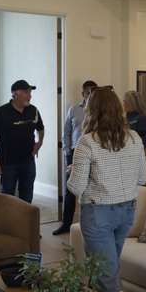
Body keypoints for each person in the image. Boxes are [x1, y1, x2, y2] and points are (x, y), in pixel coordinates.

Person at [67, 88, 146, 292]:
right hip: (127, 212)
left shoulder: (87, 142)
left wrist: (72, 170)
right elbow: (143, 178)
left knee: (105, 274)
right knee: (107, 269)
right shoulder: (135, 138)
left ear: (91, 110)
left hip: (98, 213)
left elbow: (75, 186)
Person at [0, 80, 44, 203]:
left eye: (30, 92)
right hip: (8, 163)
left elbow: (40, 129)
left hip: (28, 161)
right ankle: (8, 222)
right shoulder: (1, 112)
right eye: (26, 92)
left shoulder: (33, 110)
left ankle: (24, 221)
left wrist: (39, 143)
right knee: (7, 197)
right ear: (15, 94)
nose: (29, 95)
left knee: (27, 195)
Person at [53, 80, 97, 235]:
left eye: (93, 92)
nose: (90, 95)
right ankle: (66, 224)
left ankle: (89, 226)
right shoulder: (73, 109)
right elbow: (66, 132)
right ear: (82, 93)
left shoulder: (99, 111)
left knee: (91, 190)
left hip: (93, 154)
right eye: (87, 92)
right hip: (74, 153)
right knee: (70, 190)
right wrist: (67, 152)